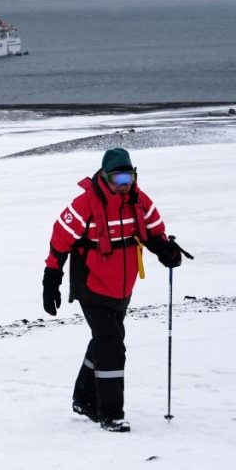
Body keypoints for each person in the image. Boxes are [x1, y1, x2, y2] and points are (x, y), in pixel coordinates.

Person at [42, 148, 184, 433]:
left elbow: (154, 232)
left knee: (108, 338)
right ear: (105, 177)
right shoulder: (84, 204)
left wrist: (166, 250)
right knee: (111, 345)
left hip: (122, 287)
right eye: (118, 177)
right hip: (91, 285)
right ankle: (110, 414)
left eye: (129, 176)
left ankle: (83, 398)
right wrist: (51, 278)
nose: (124, 184)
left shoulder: (139, 201)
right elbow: (60, 239)